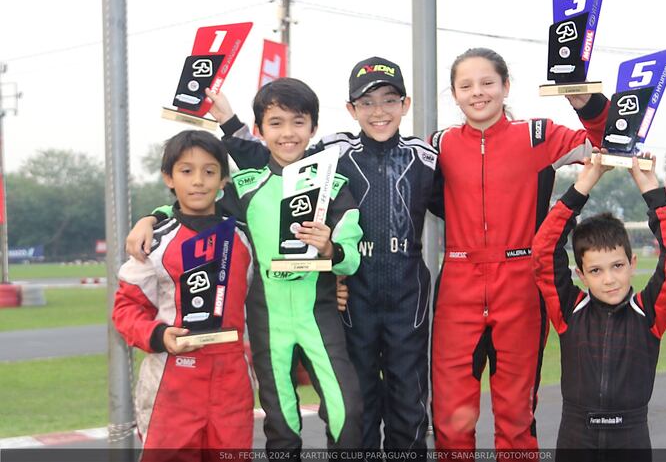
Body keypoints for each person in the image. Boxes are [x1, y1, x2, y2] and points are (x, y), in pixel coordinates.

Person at [183, 56, 441, 453]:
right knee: (342, 409)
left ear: (405, 104)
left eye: (389, 101)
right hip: (344, 302)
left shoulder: (424, 157)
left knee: (401, 406)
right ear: (351, 109)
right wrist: (229, 124)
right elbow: (271, 160)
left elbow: (472, 200)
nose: (378, 111)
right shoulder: (330, 154)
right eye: (367, 103)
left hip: (403, 298)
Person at [129, 78, 364, 454]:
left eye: (298, 122)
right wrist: (150, 218)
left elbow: (351, 257)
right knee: (281, 422)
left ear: (313, 128)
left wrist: (330, 249)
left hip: (319, 317)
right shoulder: (245, 184)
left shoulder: (334, 185)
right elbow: (195, 207)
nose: (288, 133)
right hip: (265, 321)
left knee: (347, 413)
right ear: (260, 131)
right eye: (276, 123)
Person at [428, 47, 609, 450]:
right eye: (466, 85)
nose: (478, 93)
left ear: (505, 87)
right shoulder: (437, 145)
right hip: (458, 287)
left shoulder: (537, 135)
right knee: (451, 421)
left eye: (488, 83)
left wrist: (585, 101)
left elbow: (609, 141)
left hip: (522, 286)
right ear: (454, 94)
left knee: (515, 418)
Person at [531, 153, 666, 460]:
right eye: (596, 271)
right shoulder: (569, 311)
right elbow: (543, 253)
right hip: (576, 436)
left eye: (617, 266)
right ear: (581, 274)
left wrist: (652, 193)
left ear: (632, 264)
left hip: (630, 438)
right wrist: (585, 181)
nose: (609, 279)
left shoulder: (649, 313)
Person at [112, 130, 257, 461]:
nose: (198, 181)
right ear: (169, 178)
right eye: (186, 171)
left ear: (223, 181)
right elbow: (125, 309)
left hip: (232, 380)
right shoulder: (155, 242)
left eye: (209, 171)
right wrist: (160, 335)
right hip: (172, 381)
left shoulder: (245, 239)